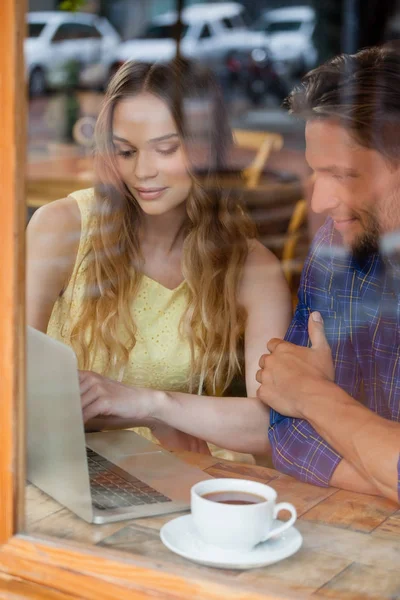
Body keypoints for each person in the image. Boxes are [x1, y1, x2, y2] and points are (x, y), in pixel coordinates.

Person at [27, 60, 291, 459]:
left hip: (193, 477)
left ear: (208, 149)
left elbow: (274, 428)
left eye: (166, 149)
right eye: (126, 152)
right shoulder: (63, 229)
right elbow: (13, 378)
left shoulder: (252, 267)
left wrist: (153, 407)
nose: (143, 172)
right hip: (73, 466)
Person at [256, 45, 400, 501]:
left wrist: (313, 396)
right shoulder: (334, 248)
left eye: (342, 175)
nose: (318, 202)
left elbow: (296, 395)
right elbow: (285, 428)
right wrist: (384, 475)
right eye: (316, 173)